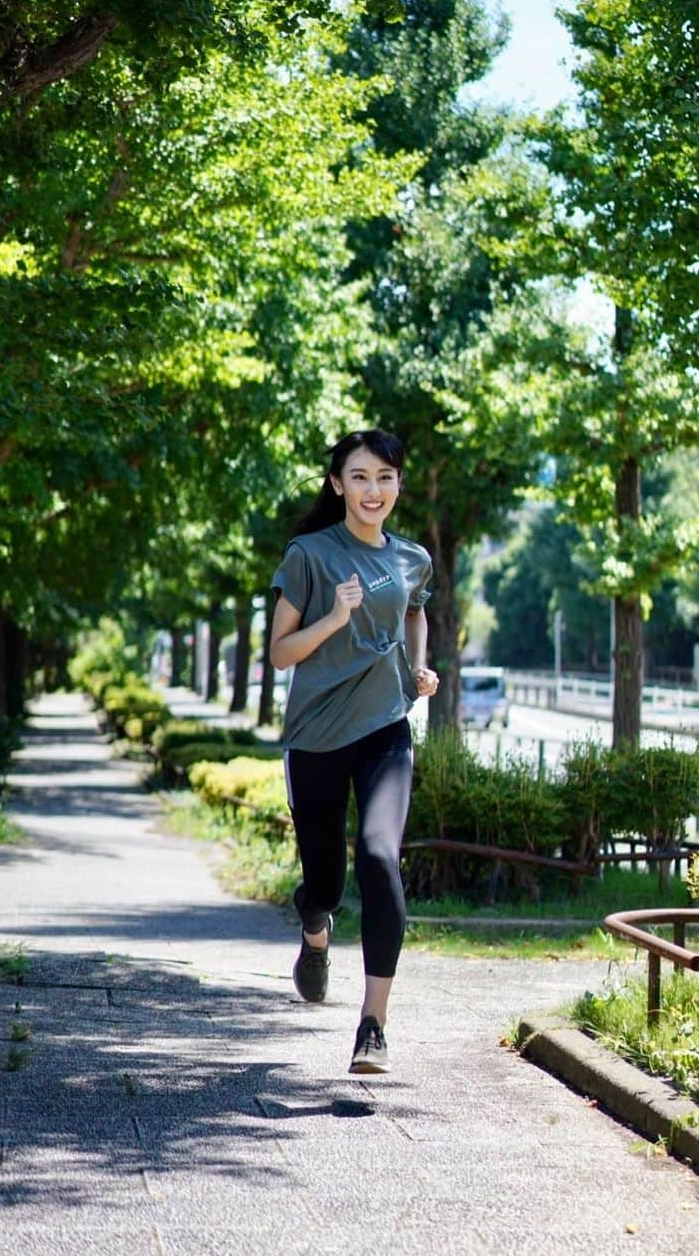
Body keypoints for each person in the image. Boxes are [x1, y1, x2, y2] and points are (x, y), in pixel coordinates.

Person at [269, 429, 439, 1074]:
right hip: (315, 736)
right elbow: (281, 652)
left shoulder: (412, 558)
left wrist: (418, 671)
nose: (375, 490)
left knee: (378, 856)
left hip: (385, 731)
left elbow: (415, 613)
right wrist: (333, 621)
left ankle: (373, 1026)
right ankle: (315, 933)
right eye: (361, 477)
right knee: (326, 886)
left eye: (386, 478)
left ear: (398, 486)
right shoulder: (309, 556)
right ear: (338, 484)